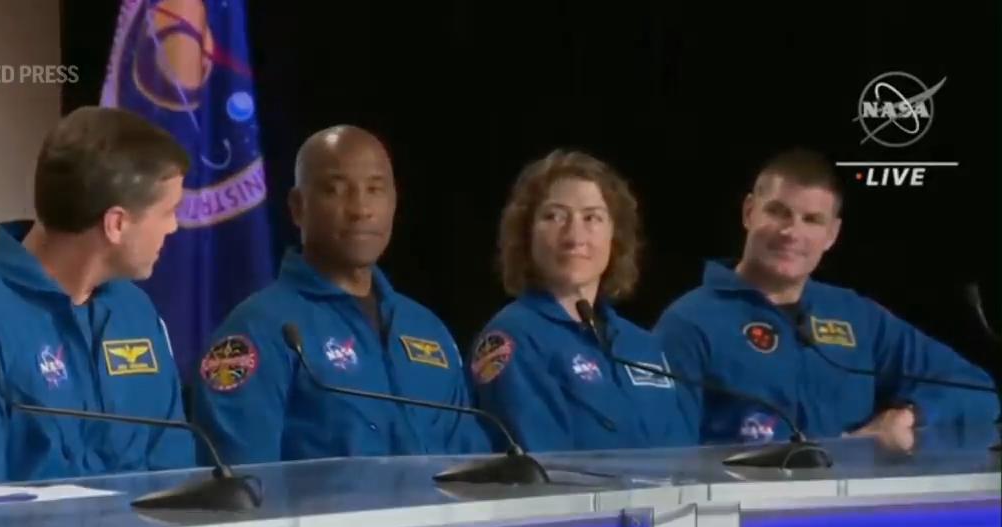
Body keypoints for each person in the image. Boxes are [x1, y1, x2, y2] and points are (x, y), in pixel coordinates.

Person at [0, 107, 196, 484]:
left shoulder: (134, 311)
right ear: (116, 224)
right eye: (168, 211)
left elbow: (177, 476)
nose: (174, 226)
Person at [654, 148, 998, 448]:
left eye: (812, 220)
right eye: (777, 212)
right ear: (748, 212)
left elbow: (978, 390)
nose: (792, 233)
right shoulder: (688, 323)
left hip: (844, 516)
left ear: (832, 234)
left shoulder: (856, 316)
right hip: (741, 517)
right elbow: (663, 454)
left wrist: (908, 416)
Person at [191, 125, 490, 464]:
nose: (361, 209)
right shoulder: (258, 330)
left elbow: (471, 466)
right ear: (297, 207)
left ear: (394, 201)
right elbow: (243, 485)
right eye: (336, 190)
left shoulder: (425, 328)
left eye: (375, 190)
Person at [470, 150, 694, 452]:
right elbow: (546, 467)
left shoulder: (643, 345)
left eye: (592, 218)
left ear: (616, 236)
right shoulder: (512, 339)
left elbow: (684, 457)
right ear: (526, 235)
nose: (575, 236)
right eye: (554, 216)